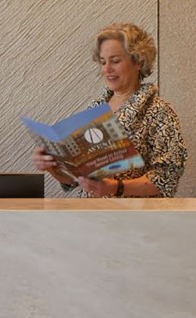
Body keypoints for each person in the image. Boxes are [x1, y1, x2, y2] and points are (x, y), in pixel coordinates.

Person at [32, 23, 186, 198]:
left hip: (134, 220)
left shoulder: (159, 112)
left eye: (115, 61)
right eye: (103, 62)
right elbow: (77, 181)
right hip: (92, 217)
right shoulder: (96, 109)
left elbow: (167, 178)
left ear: (138, 61)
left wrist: (115, 187)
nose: (107, 69)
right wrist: (52, 167)